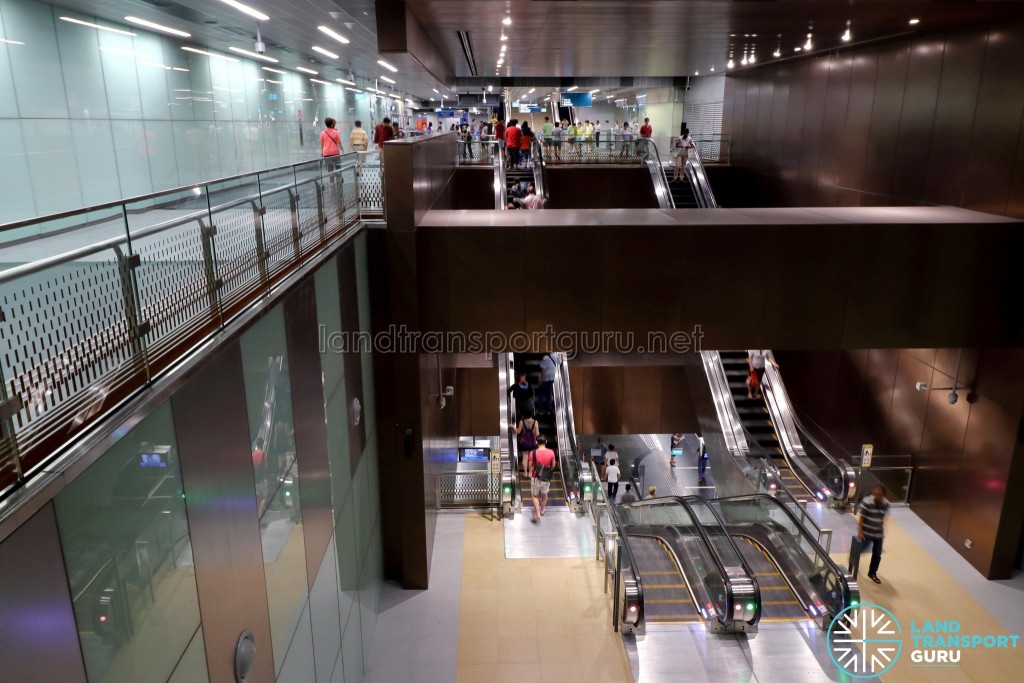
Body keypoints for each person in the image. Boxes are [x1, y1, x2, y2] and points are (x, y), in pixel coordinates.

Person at [857, 484, 890, 583]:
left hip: (878, 534)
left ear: (883, 495)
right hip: (867, 532)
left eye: (879, 494)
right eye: (875, 493)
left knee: (877, 554)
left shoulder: (886, 504)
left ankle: (872, 573)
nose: (877, 495)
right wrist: (860, 530)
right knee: (859, 550)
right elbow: (862, 516)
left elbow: (883, 516)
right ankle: (852, 562)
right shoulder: (867, 502)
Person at [530, 436, 557, 522]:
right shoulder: (551, 452)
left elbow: (530, 466)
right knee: (544, 494)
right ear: (546, 441)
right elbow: (553, 465)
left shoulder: (533, 453)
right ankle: (542, 509)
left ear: (536, 442)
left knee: (535, 496)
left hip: (536, 477)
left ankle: (538, 514)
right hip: (546, 477)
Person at [514, 411, 540, 476]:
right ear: (531, 415)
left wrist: (512, 426)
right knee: (532, 458)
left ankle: (525, 472)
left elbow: (518, 432)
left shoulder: (521, 422)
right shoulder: (535, 422)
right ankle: (530, 473)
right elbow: (537, 434)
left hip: (524, 442)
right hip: (533, 443)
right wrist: (537, 441)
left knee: (525, 457)